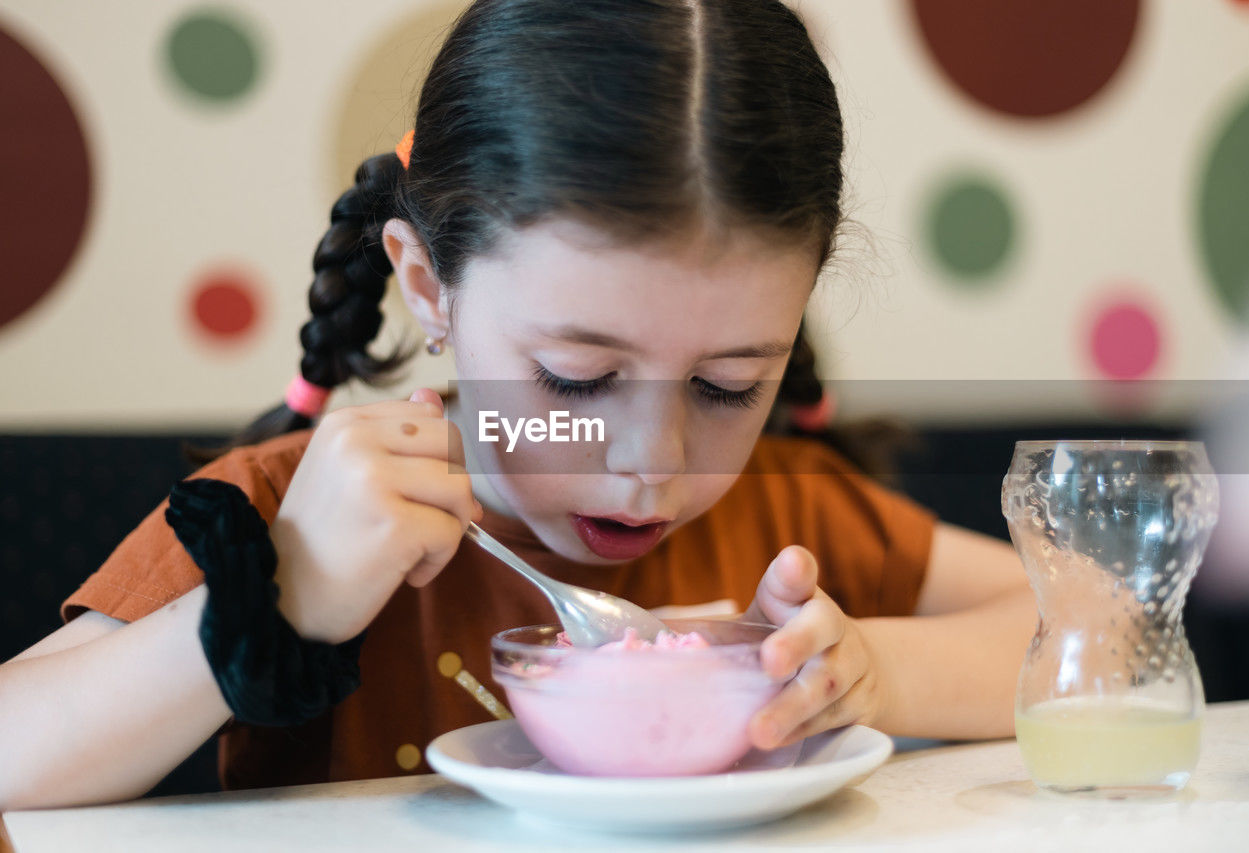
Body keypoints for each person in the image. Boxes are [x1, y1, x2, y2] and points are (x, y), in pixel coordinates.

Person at [0, 0, 1035, 810]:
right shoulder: (285, 517)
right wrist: (277, 603)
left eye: (726, 386)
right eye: (577, 379)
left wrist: (867, 669)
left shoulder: (786, 512)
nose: (652, 461)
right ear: (426, 288)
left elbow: (1091, 621)